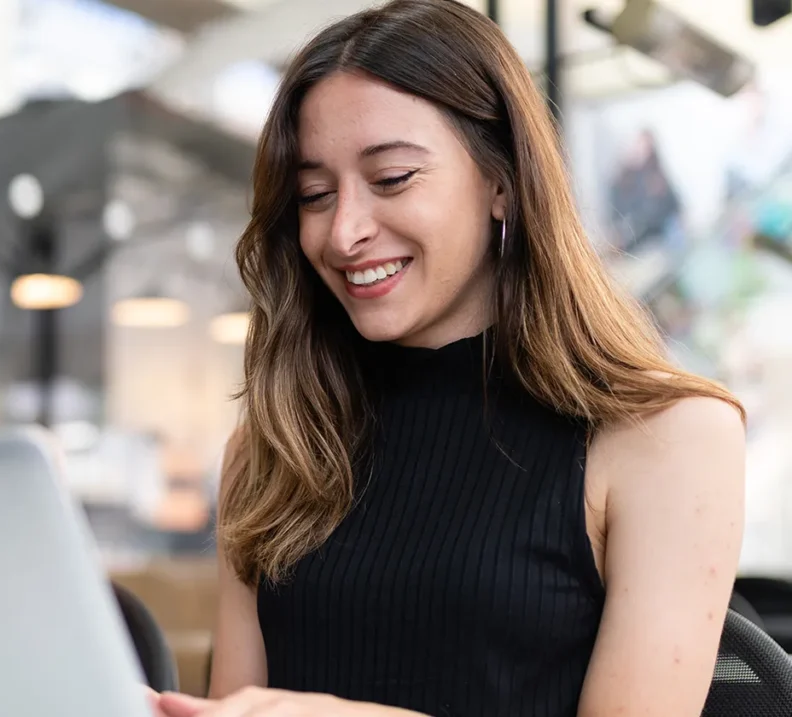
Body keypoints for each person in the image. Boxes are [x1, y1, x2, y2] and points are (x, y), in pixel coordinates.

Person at [150, 0, 746, 715]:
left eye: (393, 178)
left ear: (502, 182)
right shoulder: (272, 447)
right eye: (314, 194)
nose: (343, 231)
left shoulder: (669, 437)